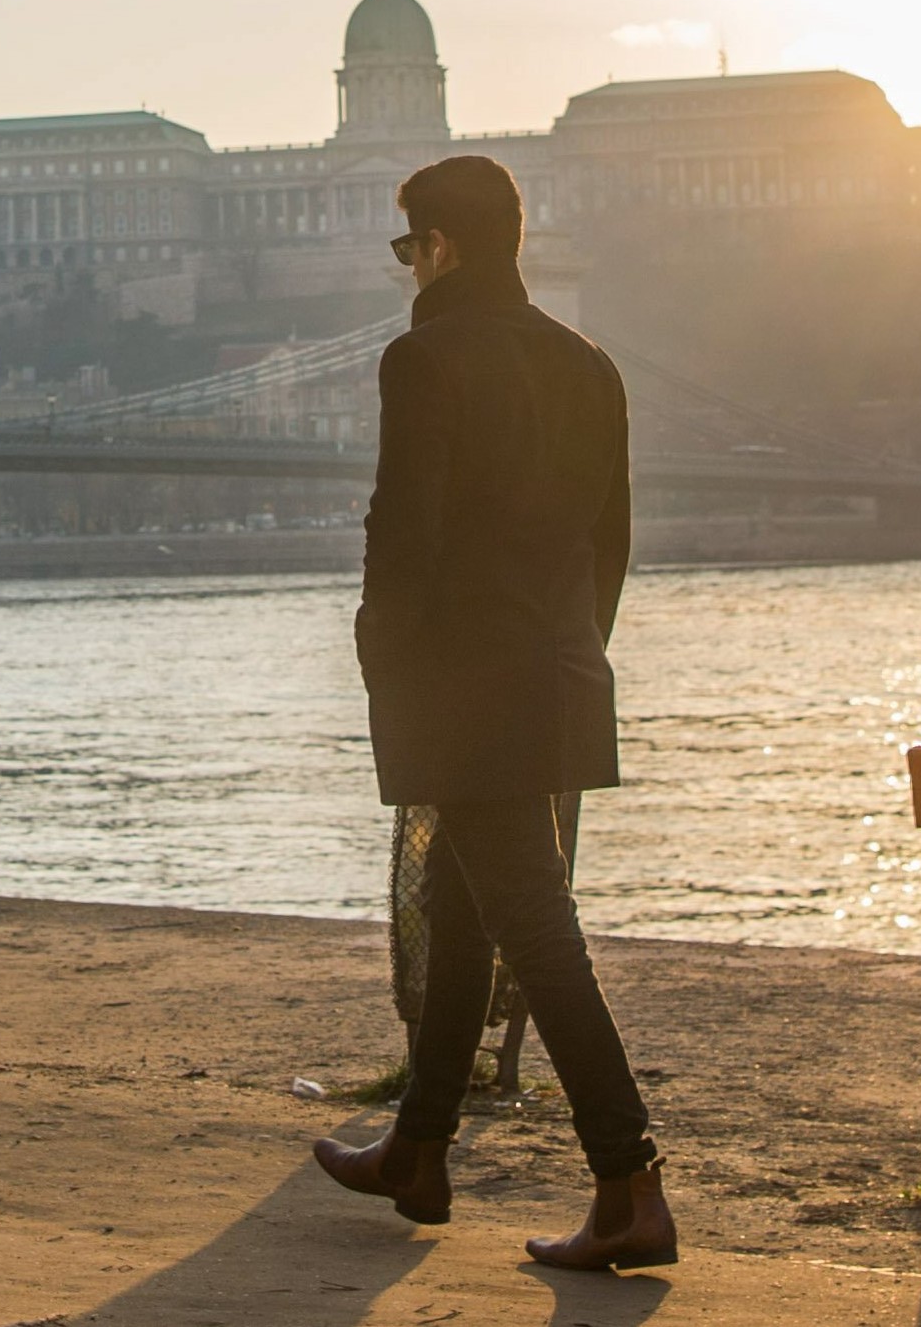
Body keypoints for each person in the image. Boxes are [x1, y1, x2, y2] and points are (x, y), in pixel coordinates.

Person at [311, 155, 674, 1273]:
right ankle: (419, 1151)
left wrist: (384, 666)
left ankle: (629, 1182)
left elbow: (401, 530)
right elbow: (609, 543)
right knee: (460, 905)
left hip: (462, 687)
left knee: (536, 929)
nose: (407, 265)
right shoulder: (590, 365)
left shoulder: (422, 358)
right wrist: (570, 656)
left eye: (408, 245)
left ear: (442, 247)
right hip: (557, 675)